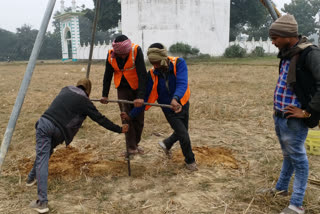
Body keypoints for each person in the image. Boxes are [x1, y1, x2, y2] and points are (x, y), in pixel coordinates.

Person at [27, 78, 128, 213]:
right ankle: (32, 180)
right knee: (44, 155)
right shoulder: (86, 102)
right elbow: (100, 119)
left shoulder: (65, 89)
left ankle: (41, 200)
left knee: (42, 157)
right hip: (60, 131)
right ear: (88, 91)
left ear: (77, 85)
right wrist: (120, 129)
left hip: (45, 124)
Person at [268, 14, 320, 214]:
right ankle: (280, 189)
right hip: (280, 116)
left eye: (275, 38)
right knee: (288, 155)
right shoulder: (289, 52)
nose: (273, 42)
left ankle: (296, 204)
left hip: (295, 120)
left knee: (298, 159)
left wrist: (307, 112)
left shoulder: (310, 54)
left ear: (287, 35)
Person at [121, 43, 197, 171]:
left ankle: (167, 143)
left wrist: (175, 98)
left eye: (157, 62)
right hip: (168, 109)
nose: (155, 66)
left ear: (163, 58)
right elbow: (144, 98)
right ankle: (190, 161)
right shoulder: (152, 74)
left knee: (183, 131)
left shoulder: (179, 63)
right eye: (152, 63)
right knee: (183, 134)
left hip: (182, 103)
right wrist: (131, 115)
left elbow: (182, 83)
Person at [101, 35, 147, 156]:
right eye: (119, 54)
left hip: (137, 88)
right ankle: (131, 147)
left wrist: (141, 96)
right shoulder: (111, 54)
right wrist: (104, 95)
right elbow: (107, 75)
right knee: (125, 117)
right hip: (122, 89)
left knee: (138, 118)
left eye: (124, 54)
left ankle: (136, 144)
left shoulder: (136, 50)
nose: (122, 56)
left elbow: (142, 74)